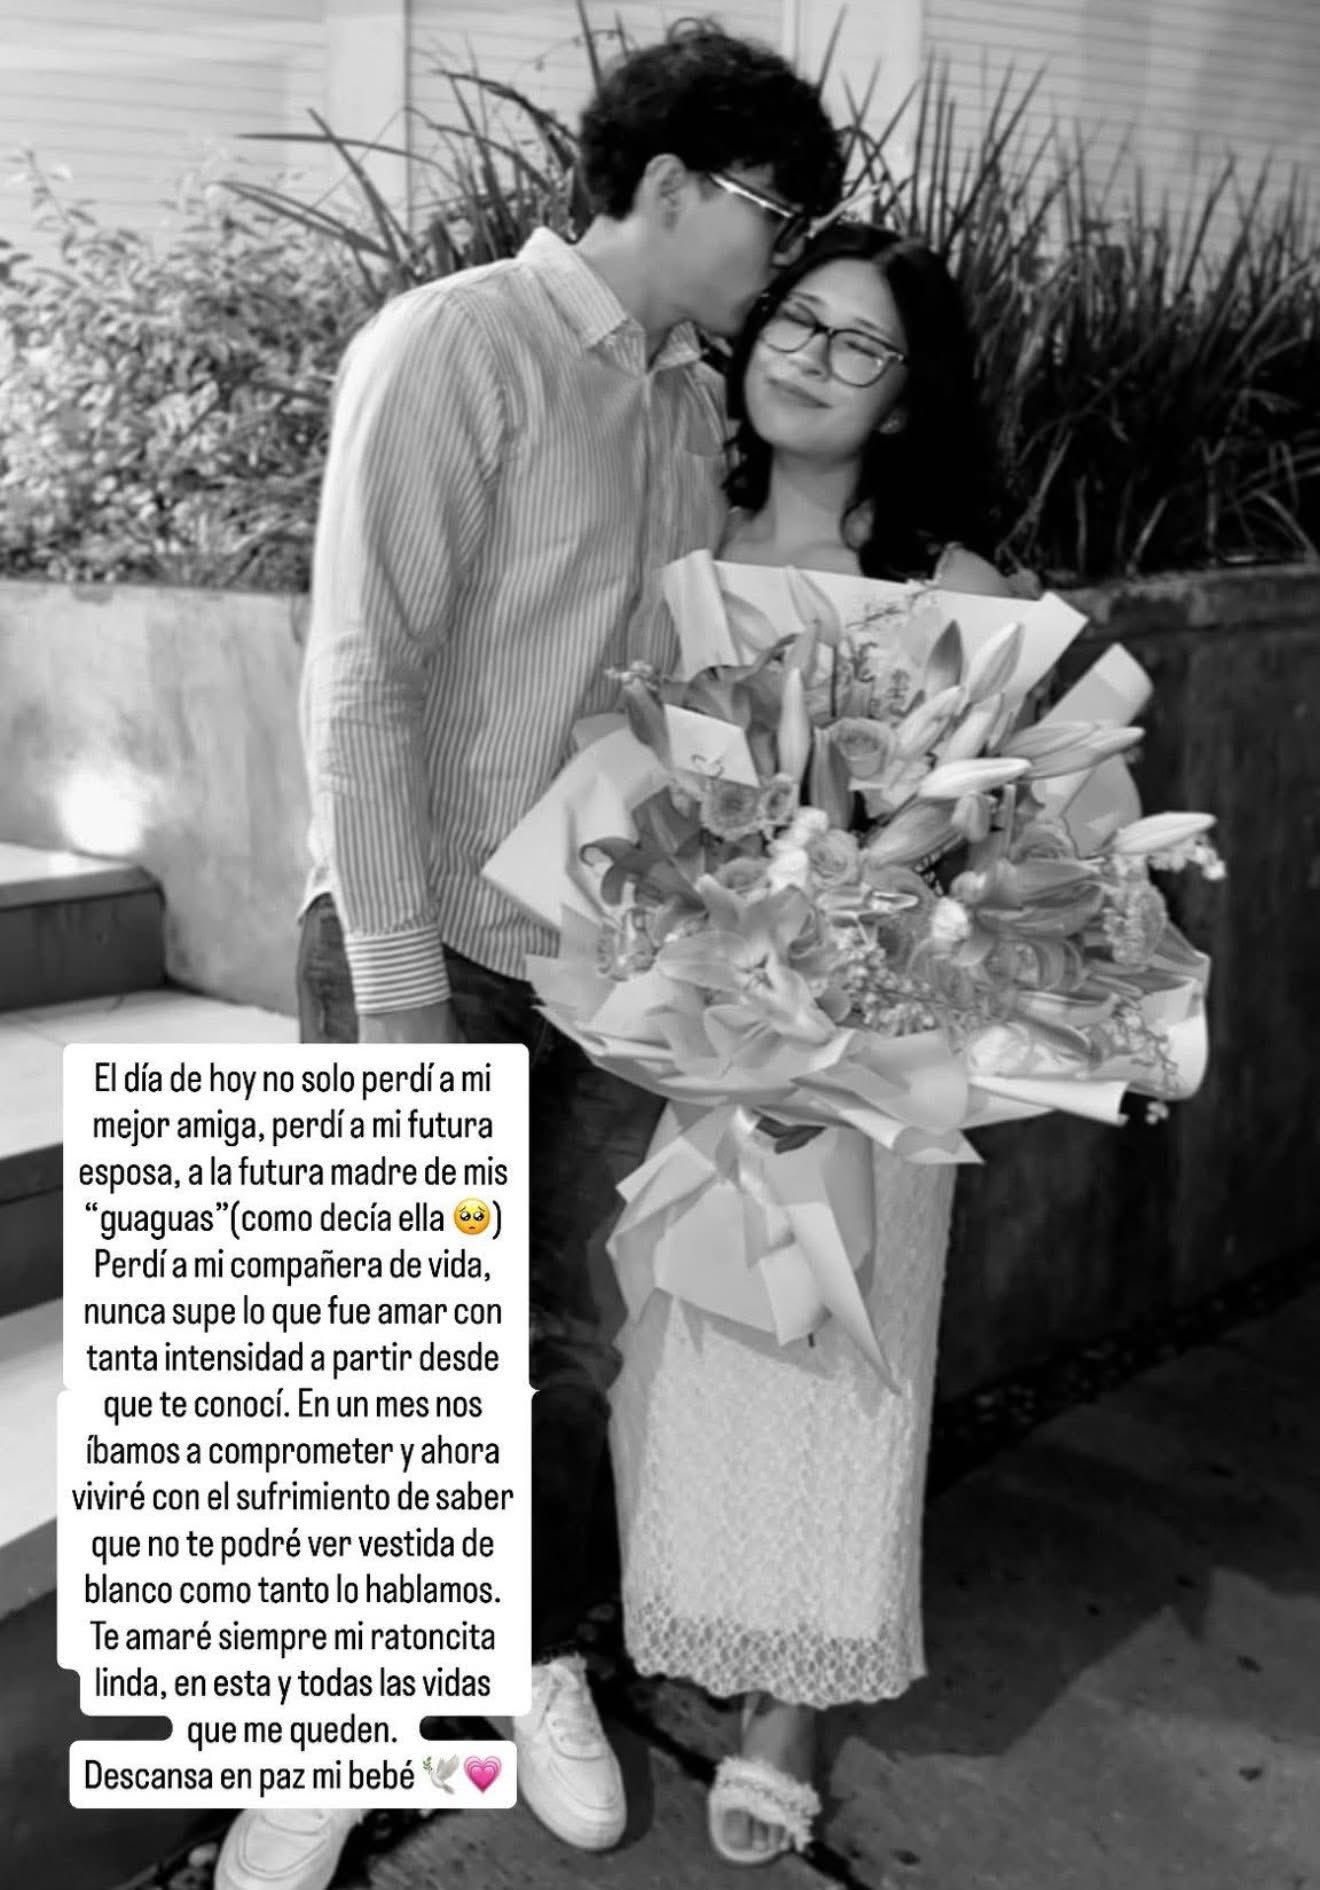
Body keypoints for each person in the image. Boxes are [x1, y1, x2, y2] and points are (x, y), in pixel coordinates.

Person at [215, 23, 842, 1890]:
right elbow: (361, 683)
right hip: (427, 941)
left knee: (561, 1337)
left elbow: (669, 684)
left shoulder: (685, 400)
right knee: (379, 1350)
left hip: (596, 953)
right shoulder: (453, 347)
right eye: (772, 211)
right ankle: (312, 1743)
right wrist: (400, 993)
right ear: (666, 186)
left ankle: (536, 1651)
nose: (783, 253)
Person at [608, 222, 1023, 1867]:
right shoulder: (680, 548)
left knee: (852, 1338)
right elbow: (644, 782)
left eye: (861, 345)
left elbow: (1001, 806)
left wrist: (869, 881)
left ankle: (792, 1705)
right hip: (710, 1001)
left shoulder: (956, 589)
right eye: (798, 320)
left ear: (904, 398)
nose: (812, 359)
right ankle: (714, 1603)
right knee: (707, 1328)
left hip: (878, 1017)